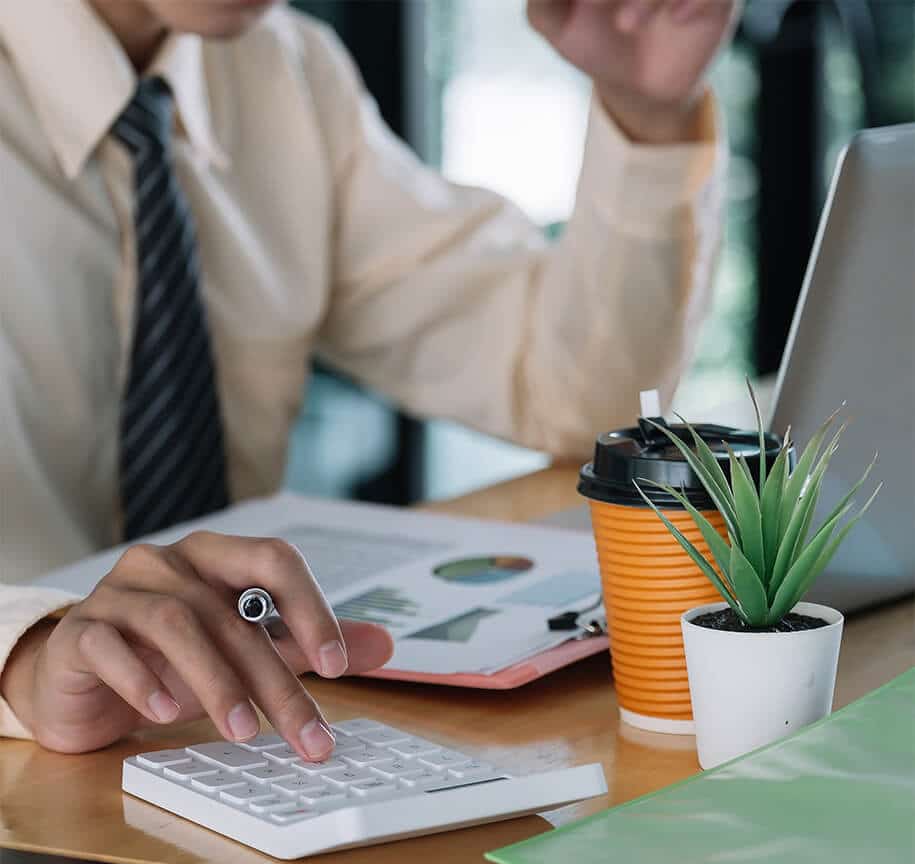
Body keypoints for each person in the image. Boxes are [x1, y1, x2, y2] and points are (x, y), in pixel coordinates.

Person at [0, 0, 737, 755]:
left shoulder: (283, 70)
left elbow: (569, 394)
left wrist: (646, 111)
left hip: (232, 749)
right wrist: (25, 652)